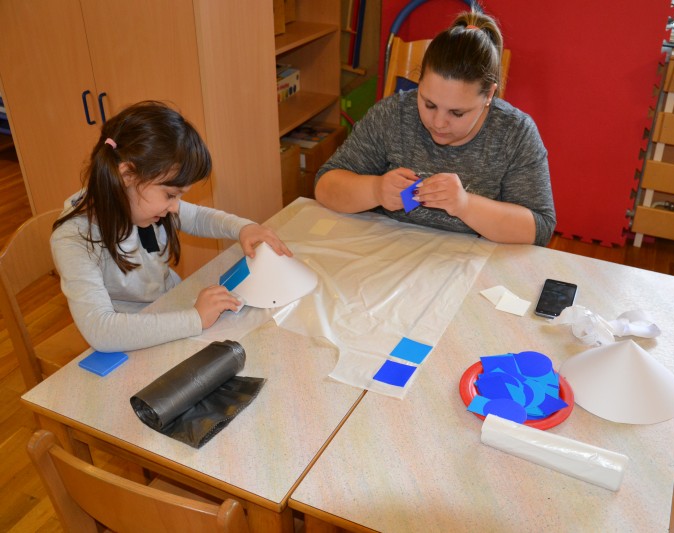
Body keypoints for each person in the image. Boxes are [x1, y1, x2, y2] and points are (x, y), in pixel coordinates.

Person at [51, 101, 291, 352]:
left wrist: (242, 228)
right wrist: (194, 319)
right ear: (127, 175)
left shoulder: (138, 199)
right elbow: (102, 331)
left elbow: (198, 218)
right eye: (170, 195)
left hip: (170, 307)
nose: (175, 207)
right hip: (134, 335)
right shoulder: (74, 239)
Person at [314, 10, 555, 246]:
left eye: (457, 113)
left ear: (489, 95)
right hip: (390, 252)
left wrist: (465, 205)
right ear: (419, 82)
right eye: (429, 104)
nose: (438, 123)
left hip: (471, 261)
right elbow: (325, 185)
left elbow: (540, 228)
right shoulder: (393, 114)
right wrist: (375, 190)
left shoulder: (515, 133)